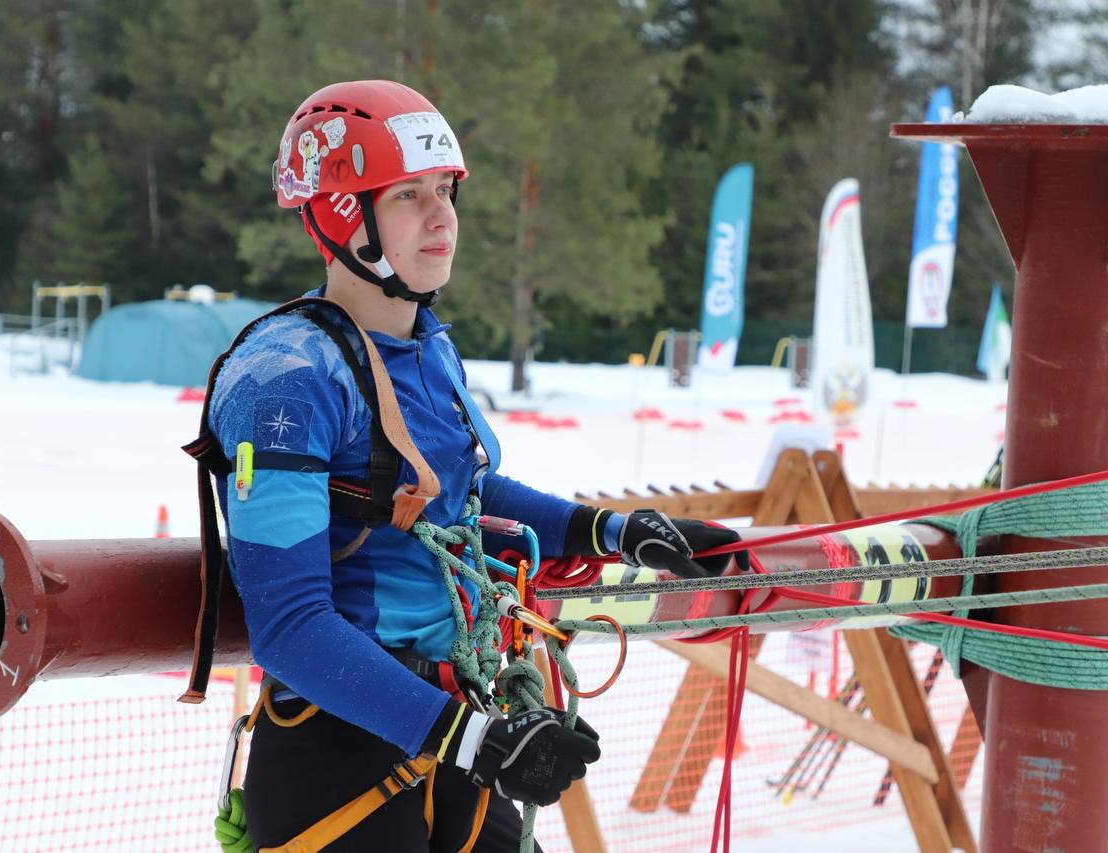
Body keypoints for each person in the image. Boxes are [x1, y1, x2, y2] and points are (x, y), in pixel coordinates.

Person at [203, 80, 748, 852]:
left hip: (451, 729)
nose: (442, 217)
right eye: (408, 195)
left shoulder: (428, 348)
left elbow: (457, 498)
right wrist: (476, 740)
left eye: (446, 191)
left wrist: (611, 531)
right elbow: (290, 627)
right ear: (340, 214)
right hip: (340, 755)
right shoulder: (286, 378)